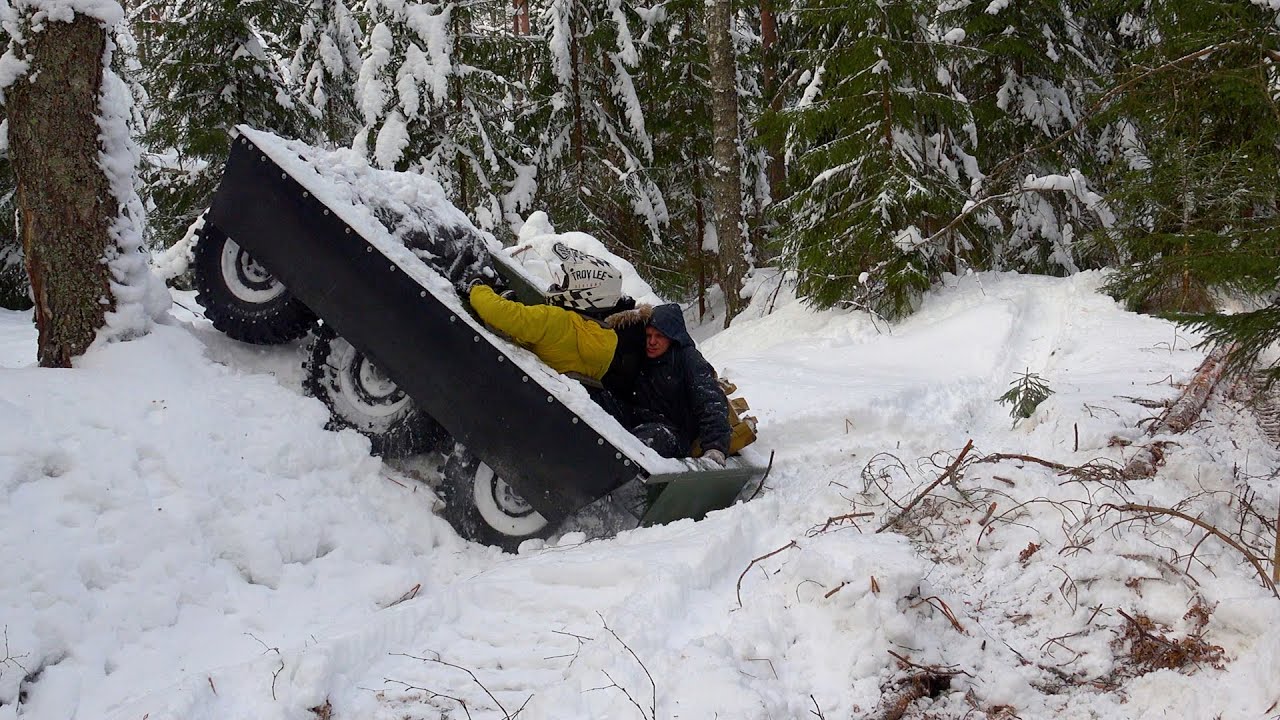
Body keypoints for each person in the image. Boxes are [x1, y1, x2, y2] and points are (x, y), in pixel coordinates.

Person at [622, 304, 731, 465]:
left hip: (671, 433)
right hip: (635, 423)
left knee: (651, 438)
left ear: (672, 337)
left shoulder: (688, 359)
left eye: (659, 336)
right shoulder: (639, 357)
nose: (651, 342)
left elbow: (710, 401)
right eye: (648, 335)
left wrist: (715, 447)